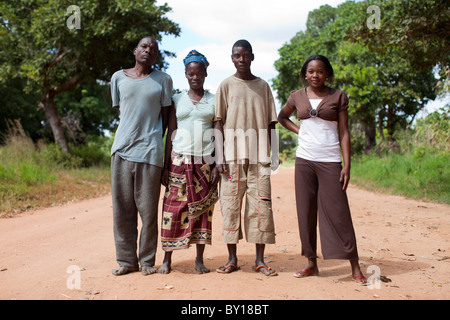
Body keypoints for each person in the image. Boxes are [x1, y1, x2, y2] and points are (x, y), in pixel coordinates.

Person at [277, 54, 367, 285]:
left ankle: (354, 265)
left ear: (327, 74)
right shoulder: (296, 96)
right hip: (304, 161)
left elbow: (344, 132)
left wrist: (347, 165)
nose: (315, 75)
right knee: (306, 212)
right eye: (310, 71)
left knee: (339, 213)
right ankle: (311, 263)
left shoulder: (338, 96)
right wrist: (300, 132)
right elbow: (282, 117)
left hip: (330, 162)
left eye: (319, 71)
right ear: (305, 74)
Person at [214, 40, 279, 277]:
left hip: (259, 157)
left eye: (245, 55)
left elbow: (272, 123)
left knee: (261, 206)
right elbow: (218, 121)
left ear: (252, 57)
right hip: (232, 158)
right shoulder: (225, 85)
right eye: (237, 56)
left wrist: (275, 154)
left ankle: (260, 260)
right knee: (230, 205)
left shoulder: (263, 86)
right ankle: (232, 259)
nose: (241, 59)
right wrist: (219, 155)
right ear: (232, 58)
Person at [110, 36, 173, 276]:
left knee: (148, 212)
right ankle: (126, 261)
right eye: (144, 47)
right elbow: (124, 112)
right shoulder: (118, 78)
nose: (148, 51)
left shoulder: (163, 80)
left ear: (156, 56)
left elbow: (166, 119)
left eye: (153, 49)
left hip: (150, 153)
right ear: (135, 51)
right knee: (122, 210)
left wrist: (156, 142)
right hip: (121, 152)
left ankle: (146, 261)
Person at [158, 50, 219, 274]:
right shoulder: (177, 99)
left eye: (199, 73)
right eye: (191, 73)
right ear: (185, 74)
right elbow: (170, 133)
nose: (195, 77)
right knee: (172, 209)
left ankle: (199, 260)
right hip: (179, 160)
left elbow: (217, 131)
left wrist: (216, 164)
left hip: (204, 162)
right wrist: (165, 165)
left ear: (205, 74)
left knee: (202, 212)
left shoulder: (214, 101)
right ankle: (167, 259)